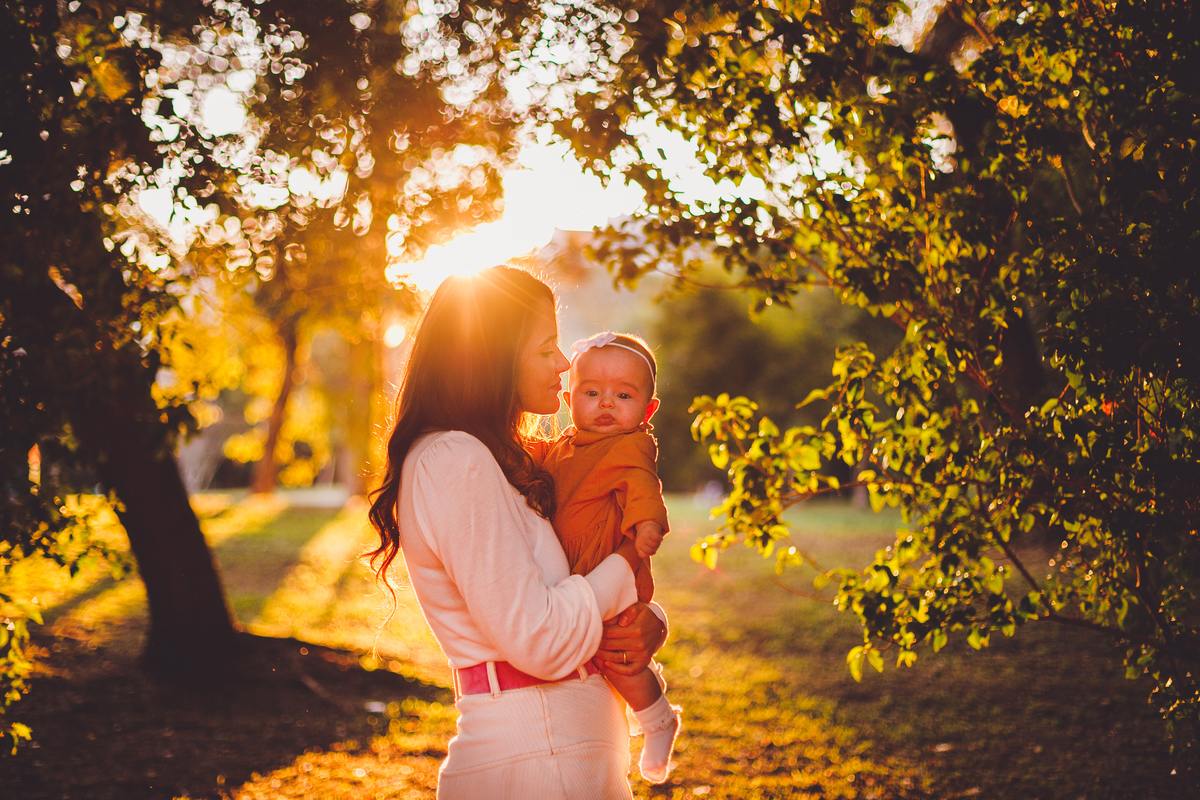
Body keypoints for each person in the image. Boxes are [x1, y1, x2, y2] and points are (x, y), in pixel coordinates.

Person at [367, 265, 668, 799]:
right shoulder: (453, 458)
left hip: (566, 750)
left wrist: (648, 620)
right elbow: (543, 640)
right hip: (540, 761)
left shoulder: (501, 461)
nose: (565, 362)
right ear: (493, 357)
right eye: (546, 346)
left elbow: (564, 578)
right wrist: (626, 558)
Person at [530, 331, 681, 783]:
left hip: (609, 567)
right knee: (595, 642)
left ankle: (657, 718)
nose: (606, 405)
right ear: (569, 398)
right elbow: (536, 464)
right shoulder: (563, 446)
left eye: (623, 395)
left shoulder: (631, 446)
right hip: (572, 569)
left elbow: (642, 487)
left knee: (617, 650)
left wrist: (648, 525)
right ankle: (652, 707)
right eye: (592, 393)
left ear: (648, 410)